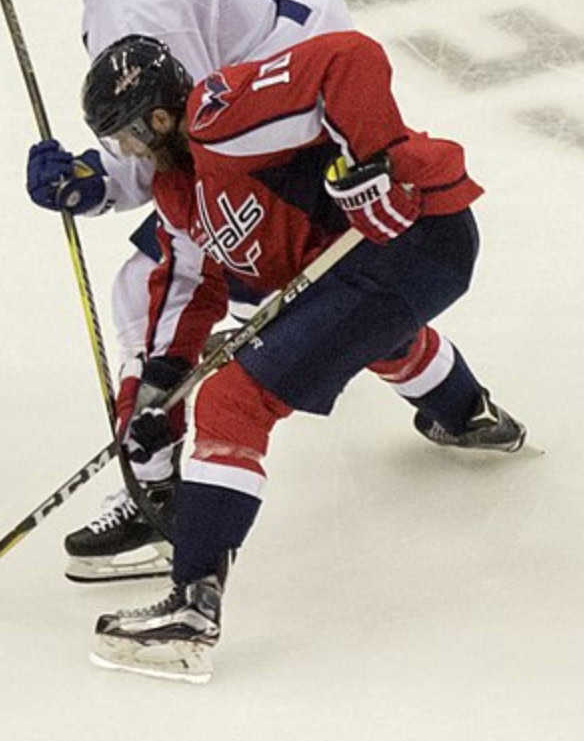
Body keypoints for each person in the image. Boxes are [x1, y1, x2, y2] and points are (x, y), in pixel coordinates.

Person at [0, 0, 358, 579]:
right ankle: (457, 401)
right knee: (342, 279)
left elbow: (172, 141)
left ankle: (156, 489)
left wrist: (90, 183)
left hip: (276, 125)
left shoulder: (142, 7)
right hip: (312, 74)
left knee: (158, 284)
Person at [75, 33, 525, 684]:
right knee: (371, 338)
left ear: (160, 116)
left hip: (409, 233)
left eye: (128, 136)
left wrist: (373, 160)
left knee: (233, 398)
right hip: (368, 269)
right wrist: (157, 394)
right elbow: (185, 288)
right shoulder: (179, 194)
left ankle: (191, 611)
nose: (129, 153)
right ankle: (466, 413)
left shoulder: (217, 118)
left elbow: (348, 58)